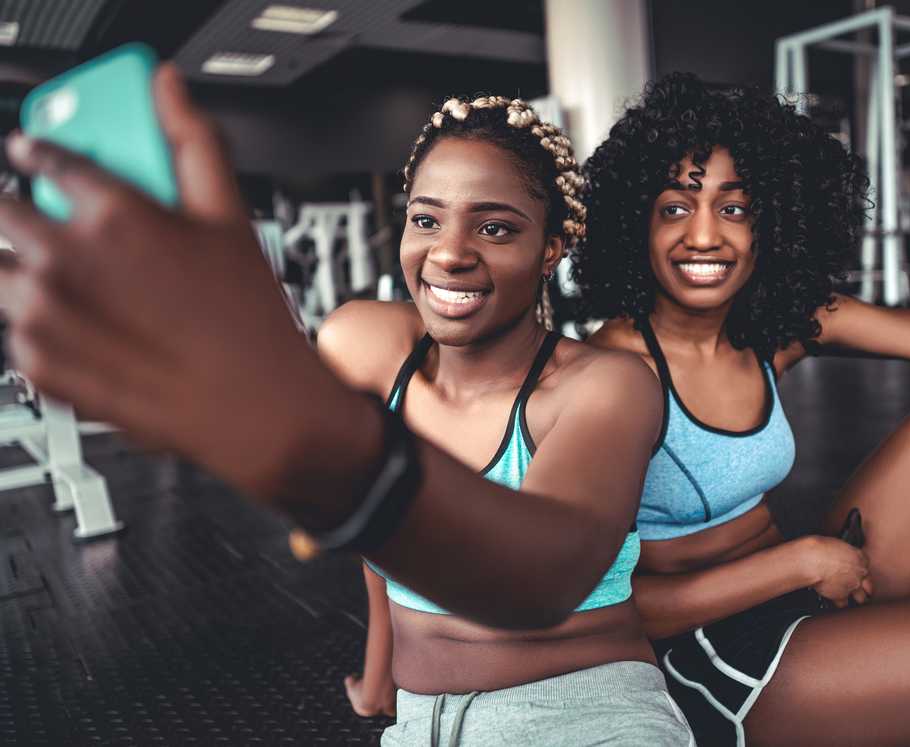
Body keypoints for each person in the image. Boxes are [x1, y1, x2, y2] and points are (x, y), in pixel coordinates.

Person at [0, 65, 692, 745]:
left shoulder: (608, 385)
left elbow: (542, 580)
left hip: (586, 708)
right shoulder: (365, 343)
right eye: (426, 219)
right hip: (417, 718)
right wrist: (378, 671)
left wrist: (321, 440)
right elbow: (383, 552)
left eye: (496, 229)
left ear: (551, 249)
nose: (449, 253)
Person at [574, 72, 910, 747]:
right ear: (637, 220)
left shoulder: (769, 328)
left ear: (771, 221)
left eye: (735, 208)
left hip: (815, 584)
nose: (705, 235)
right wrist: (798, 563)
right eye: (676, 208)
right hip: (723, 657)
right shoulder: (612, 375)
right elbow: (610, 608)